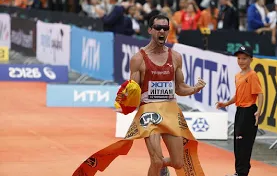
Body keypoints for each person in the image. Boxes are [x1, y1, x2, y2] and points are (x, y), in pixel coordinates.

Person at [72, 14, 206, 176]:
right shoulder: (138, 59)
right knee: (156, 161)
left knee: (178, 162)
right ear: (150, 30)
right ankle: (158, 165)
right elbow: (133, 91)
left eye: (165, 28)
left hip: (170, 111)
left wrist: (194, 89)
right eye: (158, 28)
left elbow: (180, 88)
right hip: (149, 113)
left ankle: (162, 167)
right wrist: (125, 101)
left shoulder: (176, 57)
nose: (162, 31)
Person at [216, 46, 264, 176]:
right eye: (239, 58)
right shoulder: (238, 76)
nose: (241, 61)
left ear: (251, 60)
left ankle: (242, 172)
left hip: (249, 111)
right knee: (237, 143)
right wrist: (226, 103)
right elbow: (238, 95)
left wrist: (259, 111)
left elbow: (260, 94)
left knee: (244, 144)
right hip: (240, 111)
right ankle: (238, 172)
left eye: (244, 58)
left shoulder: (252, 75)